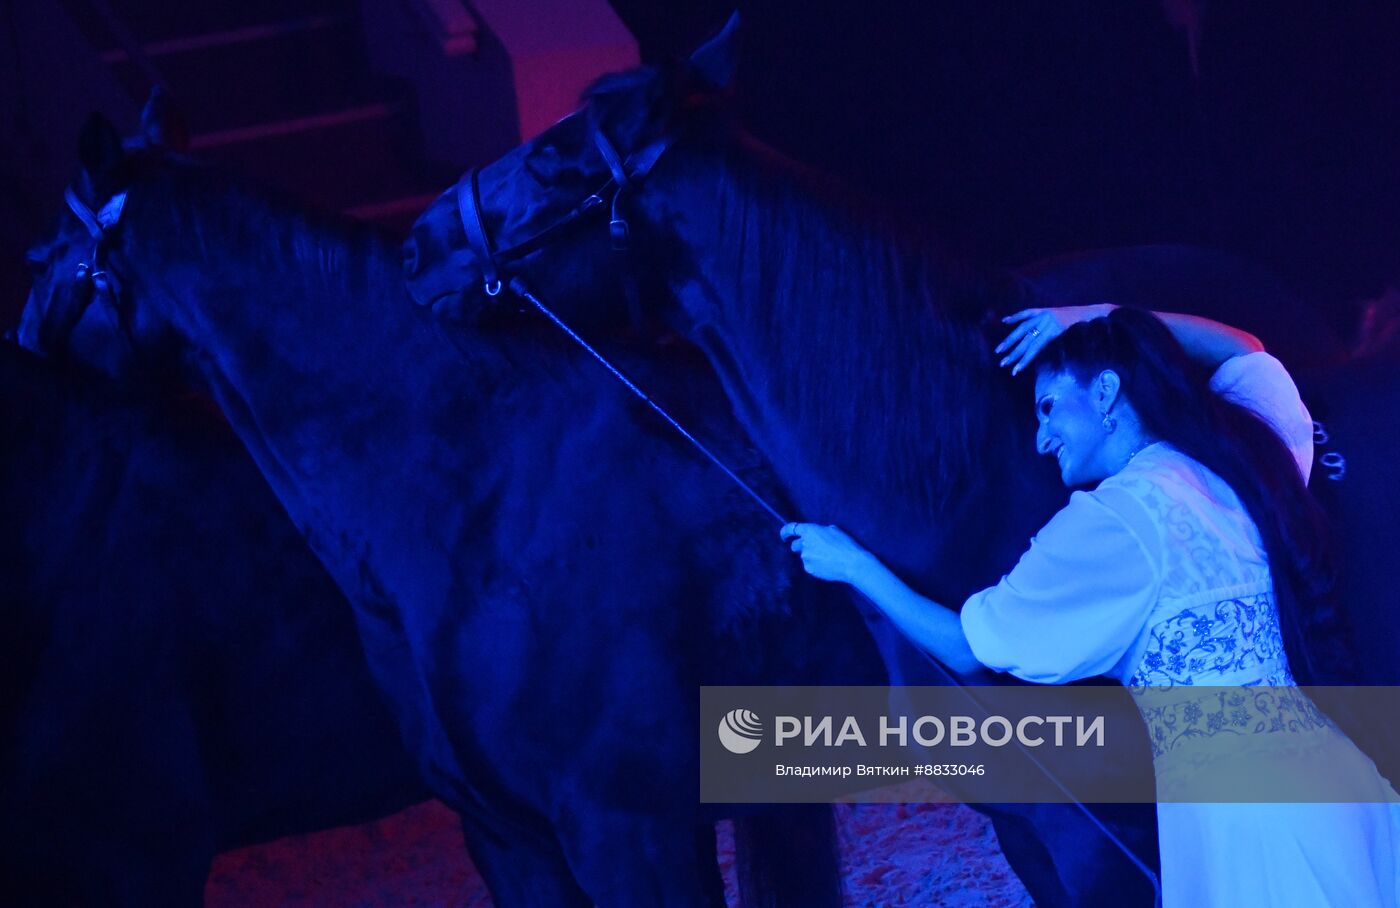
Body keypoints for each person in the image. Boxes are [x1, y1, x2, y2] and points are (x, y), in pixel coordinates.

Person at [782, 304, 1400, 907]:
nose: (1041, 437)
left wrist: (853, 566)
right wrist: (1092, 317)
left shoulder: (1111, 522)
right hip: (1333, 786)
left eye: (1049, 407)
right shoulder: (1230, 467)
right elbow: (1245, 350)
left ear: (1106, 393)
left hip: (1242, 824)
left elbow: (967, 647)